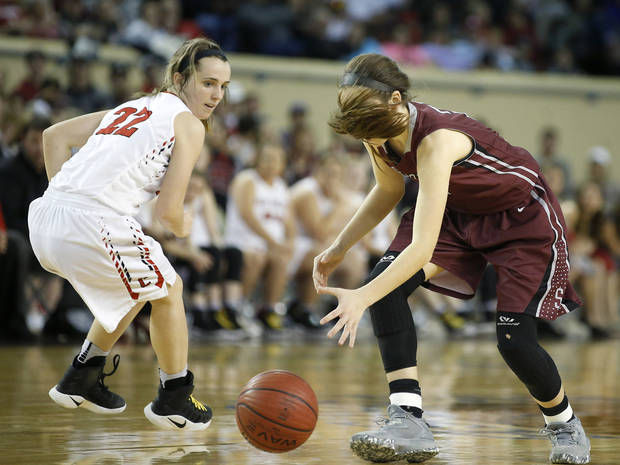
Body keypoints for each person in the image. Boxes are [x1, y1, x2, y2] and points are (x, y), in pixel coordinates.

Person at [314, 53, 590, 464]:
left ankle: (564, 425)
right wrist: (339, 247)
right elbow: (388, 191)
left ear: (394, 100)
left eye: (360, 108)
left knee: (514, 339)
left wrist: (361, 296)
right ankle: (408, 420)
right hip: (458, 214)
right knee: (387, 285)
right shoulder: (372, 129)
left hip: (520, 218)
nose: (353, 118)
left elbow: (421, 250)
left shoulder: (437, 140)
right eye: (346, 107)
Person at [27, 38, 231, 431]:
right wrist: (186, 225)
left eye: (223, 86)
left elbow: (53, 136)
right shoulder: (187, 123)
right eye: (208, 83)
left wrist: (63, 201)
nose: (217, 95)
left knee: (140, 286)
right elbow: (169, 213)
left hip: (45, 218)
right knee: (169, 290)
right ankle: (174, 397)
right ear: (179, 78)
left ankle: (81, 376)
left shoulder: (130, 107)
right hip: (90, 222)